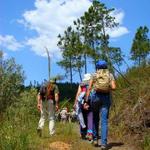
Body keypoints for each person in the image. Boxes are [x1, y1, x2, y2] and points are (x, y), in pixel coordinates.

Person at [86, 60, 116, 150]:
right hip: (106, 99)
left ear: (97, 67)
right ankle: (103, 144)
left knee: (95, 118)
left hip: (95, 98)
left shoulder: (94, 74)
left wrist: (87, 100)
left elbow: (90, 87)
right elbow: (114, 87)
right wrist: (107, 88)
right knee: (104, 121)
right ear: (106, 66)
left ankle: (95, 139)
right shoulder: (110, 75)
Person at [74, 73, 93, 139]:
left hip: (81, 102)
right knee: (90, 117)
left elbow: (78, 93)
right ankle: (90, 133)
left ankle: (83, 133)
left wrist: (75, 103)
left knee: (82, 117)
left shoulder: (81, 83)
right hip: (90, 101)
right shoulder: (92, 82)